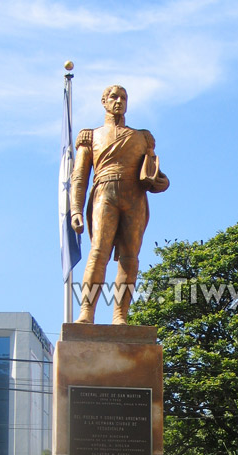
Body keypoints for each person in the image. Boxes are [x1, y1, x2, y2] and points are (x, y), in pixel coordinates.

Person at [70, 85, 169, 325]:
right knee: (98, 253)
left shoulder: (142, 137)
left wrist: (158, 180)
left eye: (123, 97)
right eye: (113, 97)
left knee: (130, 258)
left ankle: (120, 316)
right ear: (103, 101)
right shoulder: (90, 136)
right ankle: (86, 312)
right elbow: (79, 176)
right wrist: (75, 209)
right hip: (105, 192)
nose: (119, 101)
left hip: (134, 197)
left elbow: (154, 173)